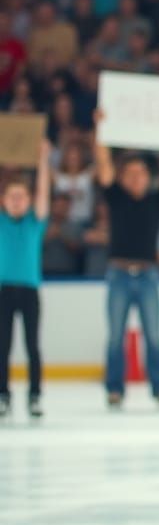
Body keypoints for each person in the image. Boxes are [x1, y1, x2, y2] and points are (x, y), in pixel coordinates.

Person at [93, 110, 159, 409]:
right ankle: (114, 389)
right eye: (130, 174)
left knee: (154, 335)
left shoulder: (157, 199)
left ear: (148, 177)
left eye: (141, 173)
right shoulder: (115, 197)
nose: (136, 178)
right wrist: (101, 129)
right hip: (118, 274)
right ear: (123, 177)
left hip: (148, 275)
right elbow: (103, 165)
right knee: (115, 337)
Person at [0, 139, 51, 418]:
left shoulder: (35, 222)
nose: (17, 202)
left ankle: (34, 396)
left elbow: (43, 192)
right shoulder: (2, 221)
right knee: (2, 346)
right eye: (12, 197)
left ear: (29, 201)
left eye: (22, 197)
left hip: (29, 291)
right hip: (3, 291)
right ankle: (3, 395)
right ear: (4, 200)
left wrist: (42, 159)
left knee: (32, 346)